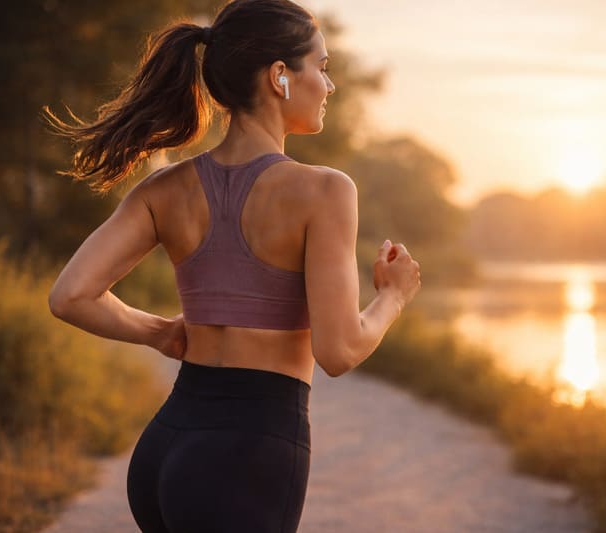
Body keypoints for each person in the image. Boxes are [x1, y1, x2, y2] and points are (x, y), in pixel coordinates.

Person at [42, 0, 421, 531]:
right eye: (323, 67)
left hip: (165, 447)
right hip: (246, 456)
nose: (329, 86)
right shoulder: (325, 191)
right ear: (279, 77)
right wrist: (393, 296)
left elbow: (71, 296)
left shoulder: (163, 189)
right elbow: (338, 351)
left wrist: (161, 334)